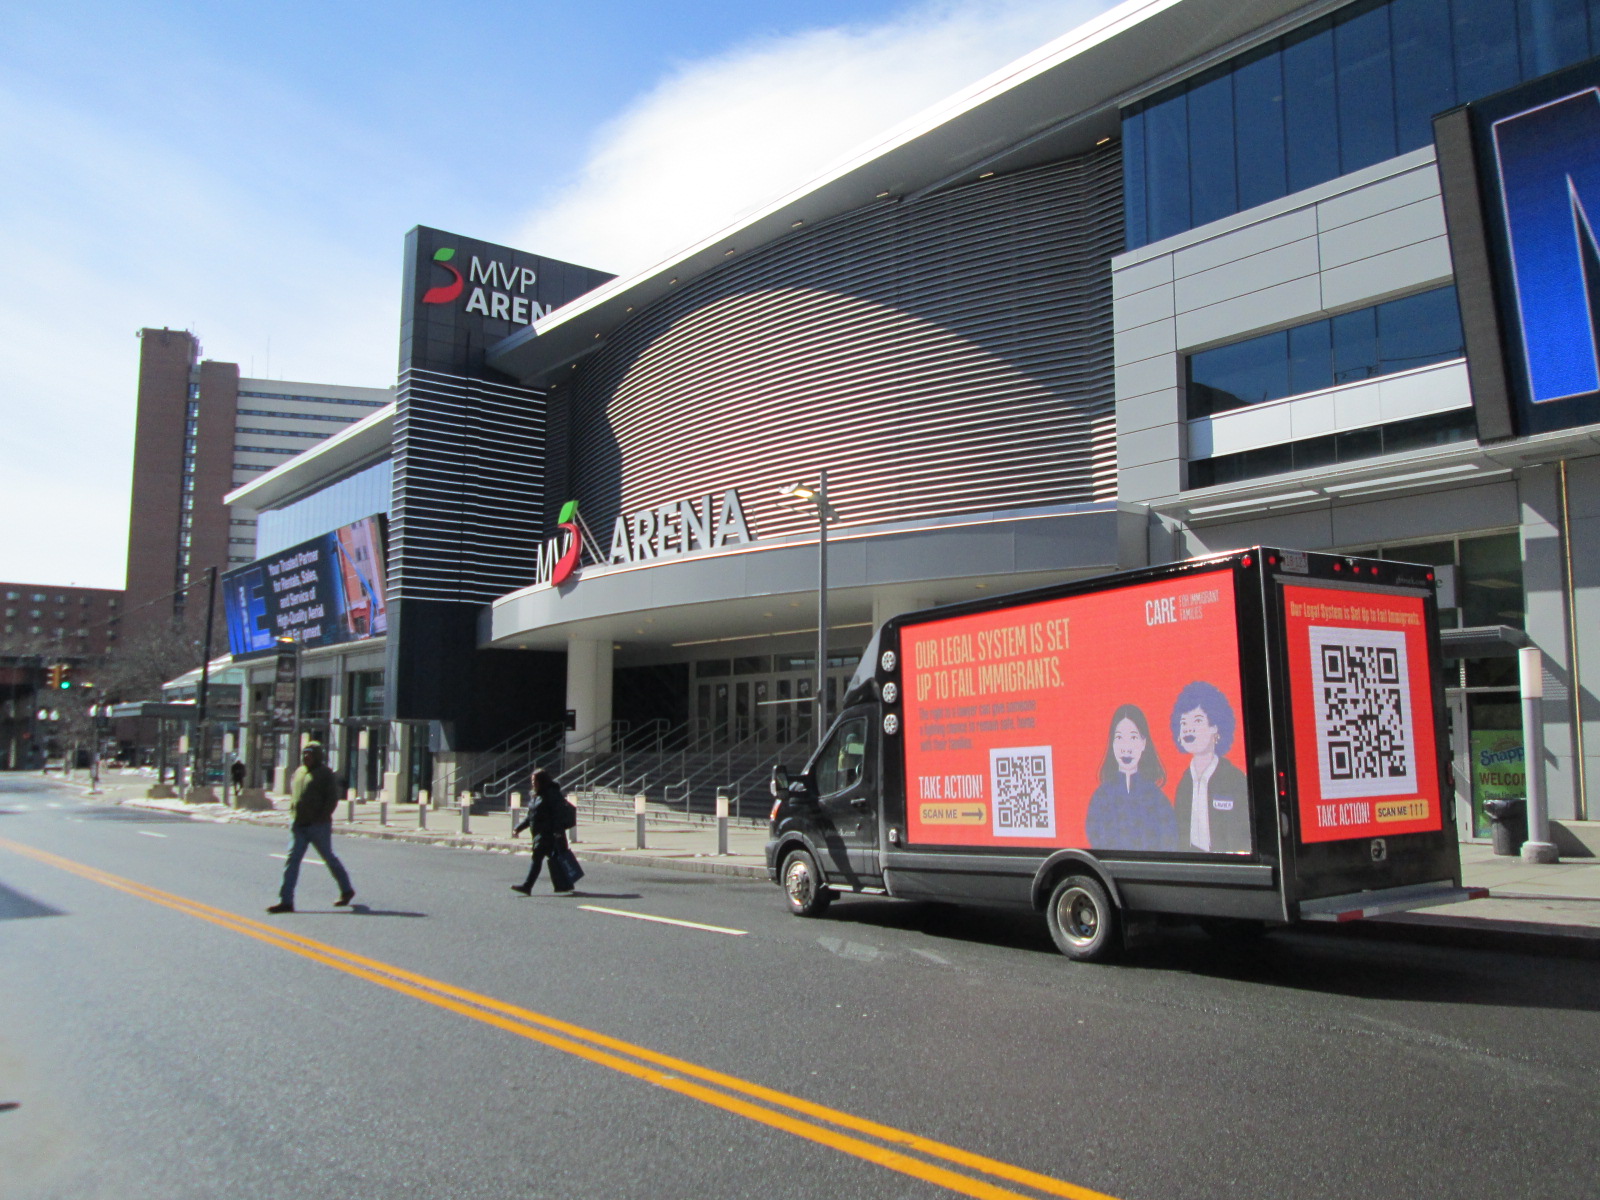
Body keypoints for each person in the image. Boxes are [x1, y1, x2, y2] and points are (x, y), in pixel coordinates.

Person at [267, 742, 355, 913]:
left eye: (310, 754)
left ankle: (346, 890)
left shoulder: (325, 774)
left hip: (318, 826)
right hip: (298, 825)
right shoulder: (299, 772)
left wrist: (321, 816)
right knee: (292, 861)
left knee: (329, 858)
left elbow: (332, 799)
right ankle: (286, 901)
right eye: (305, 754)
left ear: (317, 756)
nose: (306, 757)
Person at [1170, 681, 1251, 854]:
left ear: (1215, 726)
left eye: (1197, 720)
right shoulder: (1184, 784)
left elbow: (1244, 837)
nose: (1188, 729)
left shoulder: (1235, 780)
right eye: (1184, 723)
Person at [1084, 704, 1178, 851]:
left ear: (1143, 743)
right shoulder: (1101, 796)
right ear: (1113, 743)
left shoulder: (1157, 798)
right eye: (1119, 737)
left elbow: (1170, 837)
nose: (1126, 747)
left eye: (1133, 737)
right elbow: (1094, 833)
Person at [510, 768, 575, 895]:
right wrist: (518, 828)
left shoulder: (551, 794)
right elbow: (531, 816)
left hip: (548, 833)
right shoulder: (536, 796)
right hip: (540, 833)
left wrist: (557, 831)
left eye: (535, 780)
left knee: (537, 858)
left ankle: (527, 886)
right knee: (554, 859)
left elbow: (557, 814)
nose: (533, 783)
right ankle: (564, 884)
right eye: (532, 780)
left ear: (542, 780)